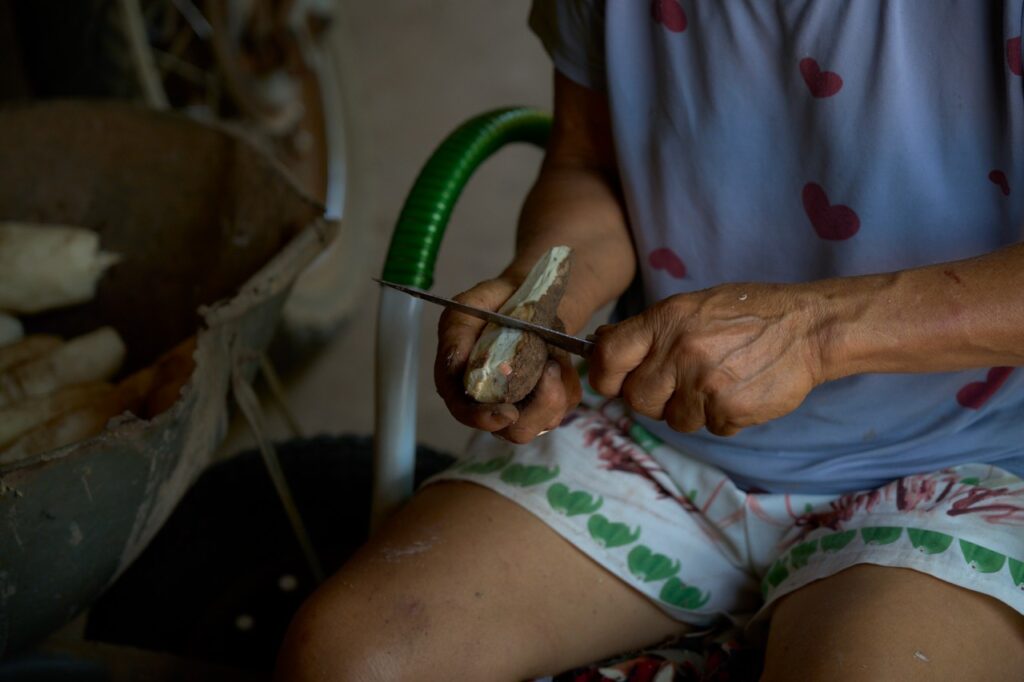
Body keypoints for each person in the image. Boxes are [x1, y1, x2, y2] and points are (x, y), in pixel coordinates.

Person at [277, 2, 1024, 679]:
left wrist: (818, 333)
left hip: (968, 456)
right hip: (659, 438)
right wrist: (546, 303)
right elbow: (587, 164)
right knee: (351, 661)